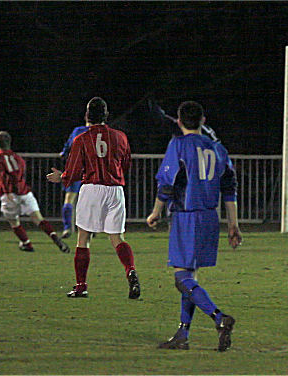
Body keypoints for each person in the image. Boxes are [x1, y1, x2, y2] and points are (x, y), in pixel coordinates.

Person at [146, 101, 242, 352]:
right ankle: (182, 334)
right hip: (211, 218)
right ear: (203, 120)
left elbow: (167, 183)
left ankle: (219, 318)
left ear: (178, 121)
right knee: (190, 278)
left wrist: (156, 211)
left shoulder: (178, 145)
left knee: (181, 278)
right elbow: (229, 188)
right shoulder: (218, 148)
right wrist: (234, 225)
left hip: (187, 217)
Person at [46, 97, 139, 299]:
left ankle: (81, 286)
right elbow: (126, 164)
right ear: (106, 116)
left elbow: (72, 172)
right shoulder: (120, 137)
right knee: (117, 237)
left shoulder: (81, 139)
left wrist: (60, 177)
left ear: (87, 116)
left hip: (92, 189)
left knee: (83, 238)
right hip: (115, 190)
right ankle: (130, 270)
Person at [0, 131, 70, 253]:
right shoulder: (18, 158)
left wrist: (8, 191)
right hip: (25, 192)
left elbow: (0, 175)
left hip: (9, 194)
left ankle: (26, 243)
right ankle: (56, 239)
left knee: (14, 221)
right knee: (39, 219)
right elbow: (21, 172)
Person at [58, 123, 90, 239]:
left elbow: (67, 147)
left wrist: (64, 153)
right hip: (93, 169)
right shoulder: (102, 132)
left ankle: (67, 228)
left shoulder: (78, 130)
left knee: (69, 199)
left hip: (75, 167)